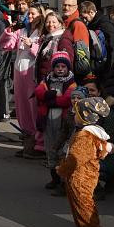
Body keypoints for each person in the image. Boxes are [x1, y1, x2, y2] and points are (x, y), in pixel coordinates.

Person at [57, 96, 113, 227]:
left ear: (85, 116)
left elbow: (76, 158)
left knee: (84, 209)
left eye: (76, 114)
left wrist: (62, 169)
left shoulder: (84, 136)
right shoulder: (93, 133)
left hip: (80, 177)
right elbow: (105, 149)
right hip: (84, 176)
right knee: (78, 208)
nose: (74, 116)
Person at [2, 4, 44, 157]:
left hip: (32, 73)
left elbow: (43, 54)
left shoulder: (42, 32)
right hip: (19, 73)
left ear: (40, 15)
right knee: (22, 107)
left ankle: (38, 145)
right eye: (29, 14)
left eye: (33, 14)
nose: (31, 17)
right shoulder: (23, 30)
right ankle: (28, 142)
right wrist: (9, 31)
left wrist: (32, 45)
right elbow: (5, 45)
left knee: (33, 108)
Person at [36, 50, 77, 192]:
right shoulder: (47, 79)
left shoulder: (71, 83)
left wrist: (49, 101)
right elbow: (39, 92)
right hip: (48, 122)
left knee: (61, 151)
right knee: (50, 149)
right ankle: (54, 178)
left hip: (63, 123)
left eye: (63, 67)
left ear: (67, 68)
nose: (60, 69)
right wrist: (52, 94)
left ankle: (63, 181)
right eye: (57, 67)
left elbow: (66, 99)